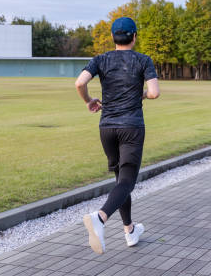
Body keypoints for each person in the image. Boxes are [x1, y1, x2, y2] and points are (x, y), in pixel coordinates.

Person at [75, 16, 159, 254]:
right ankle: (99, 218)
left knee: (120, 181)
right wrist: (141, 95)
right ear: (134, 37)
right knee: (127, 181)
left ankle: (130, 230)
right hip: (131, 127)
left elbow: (79, 83)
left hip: (107, 128)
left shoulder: (101, 59)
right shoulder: (143, 60)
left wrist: (89, 100)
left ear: (113, 37)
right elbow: (154, 93)